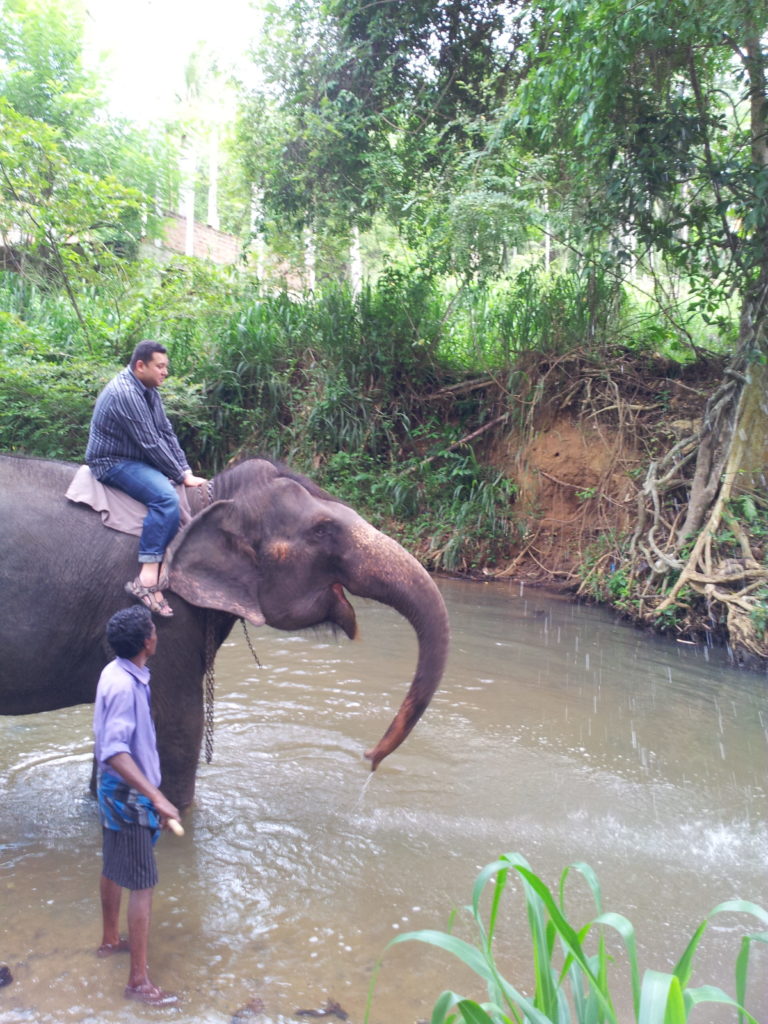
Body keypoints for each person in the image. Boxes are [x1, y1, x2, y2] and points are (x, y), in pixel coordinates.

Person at [93, 605, 181, 1006]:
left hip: (112, 791)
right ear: (147, 642)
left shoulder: (115, 672)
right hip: (130, 794)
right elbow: (115, 751)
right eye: (153, 629)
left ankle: (111, 939)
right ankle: (138, 983)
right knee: (143, 885)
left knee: (113, 865)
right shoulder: (126, 686)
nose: (156, 634)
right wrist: (157, 796)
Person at [86, 340, 206, 617]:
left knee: (175, 485)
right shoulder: (126, 393)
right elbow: (150, 443)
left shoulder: (149, 390)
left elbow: (165, 433)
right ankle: (147, 577)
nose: (165, 372)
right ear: (140, 366)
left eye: (166, 367)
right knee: (165, 498)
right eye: (160, 366)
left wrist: (185, 472)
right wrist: (177, 475)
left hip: (134, 458)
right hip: (112, 461)